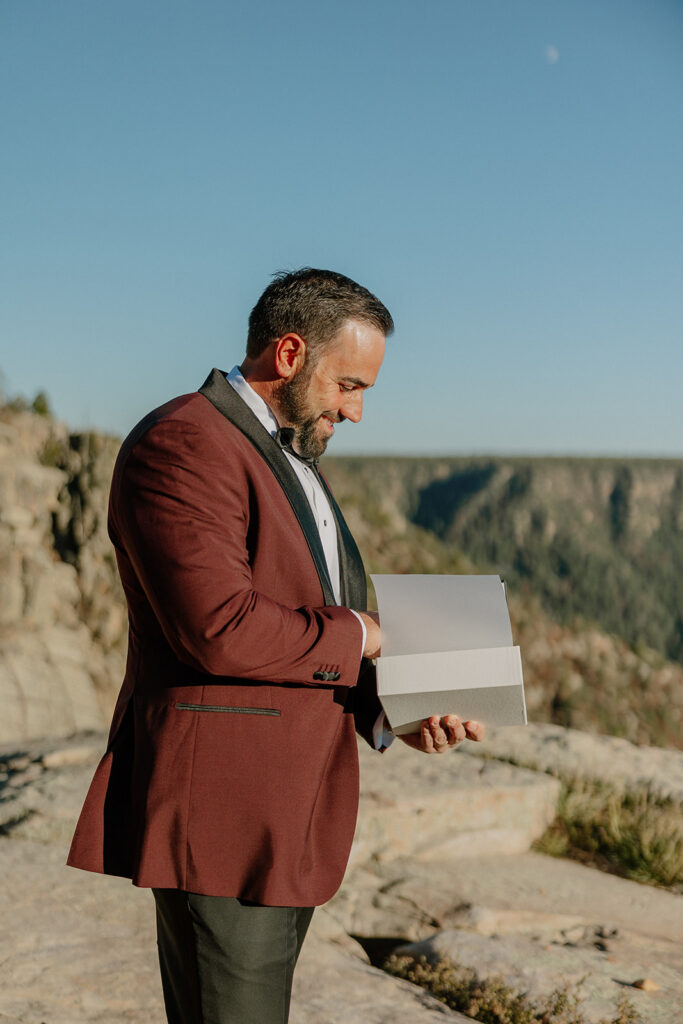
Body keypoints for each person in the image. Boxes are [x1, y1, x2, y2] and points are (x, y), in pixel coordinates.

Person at [67, 268, 484, 1024]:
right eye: (348, 385)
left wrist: (394, 713)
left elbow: (303, 619)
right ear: (289, 353)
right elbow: (219, 629)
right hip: (222, 815)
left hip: (290, 814)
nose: (356, 411)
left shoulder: (287, 450)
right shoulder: (182, 443)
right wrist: (365, 633)